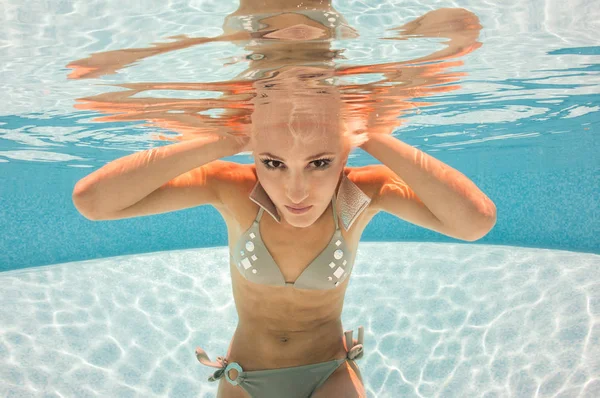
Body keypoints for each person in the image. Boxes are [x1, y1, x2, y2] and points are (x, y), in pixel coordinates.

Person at [71, 2, 496, 397]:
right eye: (273, 163)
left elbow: (474, 222)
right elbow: (93, 202)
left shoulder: (358, 194)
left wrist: (371, 134)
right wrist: (221, 140)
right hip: (246, 379)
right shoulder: (232, 188)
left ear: (345, 154)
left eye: (320, 162)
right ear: (253, 154)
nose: (296, 191)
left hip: (330, 374)